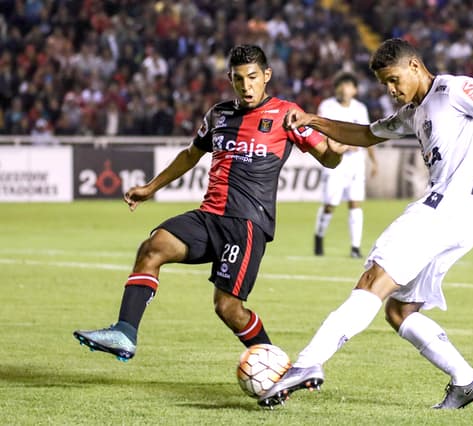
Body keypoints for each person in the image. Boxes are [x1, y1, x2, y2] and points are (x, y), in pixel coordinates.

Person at [258, 38, 473, 409]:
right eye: (385, 83)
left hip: (445, 210)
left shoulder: (455, 89)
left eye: (394, 79)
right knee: (400, 311)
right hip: (465, 220)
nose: (390, 89)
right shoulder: (413, 113)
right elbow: (366, 134)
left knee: (373, 280)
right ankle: (466, 381)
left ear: (415, 66)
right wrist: (313, 120)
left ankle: (306, 364)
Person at [73, 45, 347, 361]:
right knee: (152, 248)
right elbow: (192, 154)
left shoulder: (287, 114)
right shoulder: (219, 114)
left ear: (267, 76)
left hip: (245, 224)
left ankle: (277, 366)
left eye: (253, 78)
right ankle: (125, 332)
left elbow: (326, 158)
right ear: (230, 79)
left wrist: (335, 152)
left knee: (227, 307)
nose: (246, 86)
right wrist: (151, 188)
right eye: (238, 79)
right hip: (208, 217)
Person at [314, 72, 377, 258]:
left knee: (355, 203)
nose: (344, 88)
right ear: (336, 88)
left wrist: (374, 161)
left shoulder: (360, 108)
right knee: (330, 204)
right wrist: (346, 145)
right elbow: (321, 132)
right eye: (341, 85)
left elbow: (367, 134)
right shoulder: (327, 106)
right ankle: (319, 236)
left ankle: (355, 248)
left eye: (348, 85)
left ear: (355, 90)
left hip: (356, 164)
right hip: (335, 163)